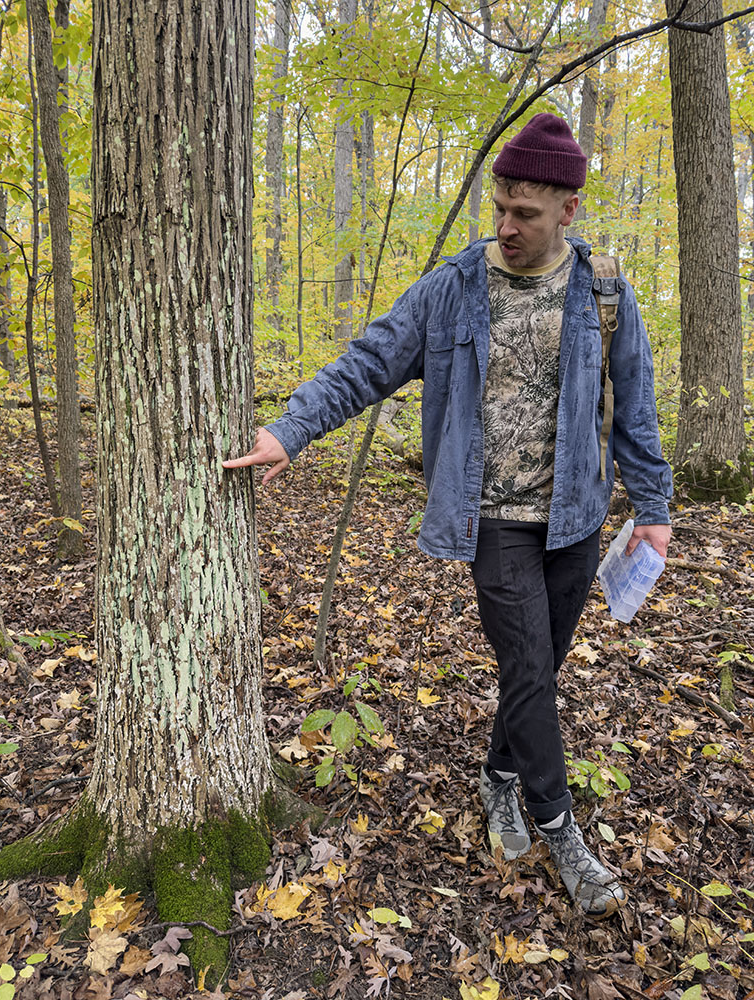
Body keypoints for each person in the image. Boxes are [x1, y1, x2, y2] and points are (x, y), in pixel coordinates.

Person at [224, 112, 672, 919]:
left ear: (568, 210)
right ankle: (563, 833)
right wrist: (291, 429)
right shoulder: (454, 288)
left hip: (575, 518)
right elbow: (370, 361)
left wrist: (654, 506)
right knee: (528, 666)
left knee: (536, 672)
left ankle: (499, 778)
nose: (506, 225)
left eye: (525, 213)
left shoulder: (604, 293)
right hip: (491, 520)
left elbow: (633, 407)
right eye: (499, 207)